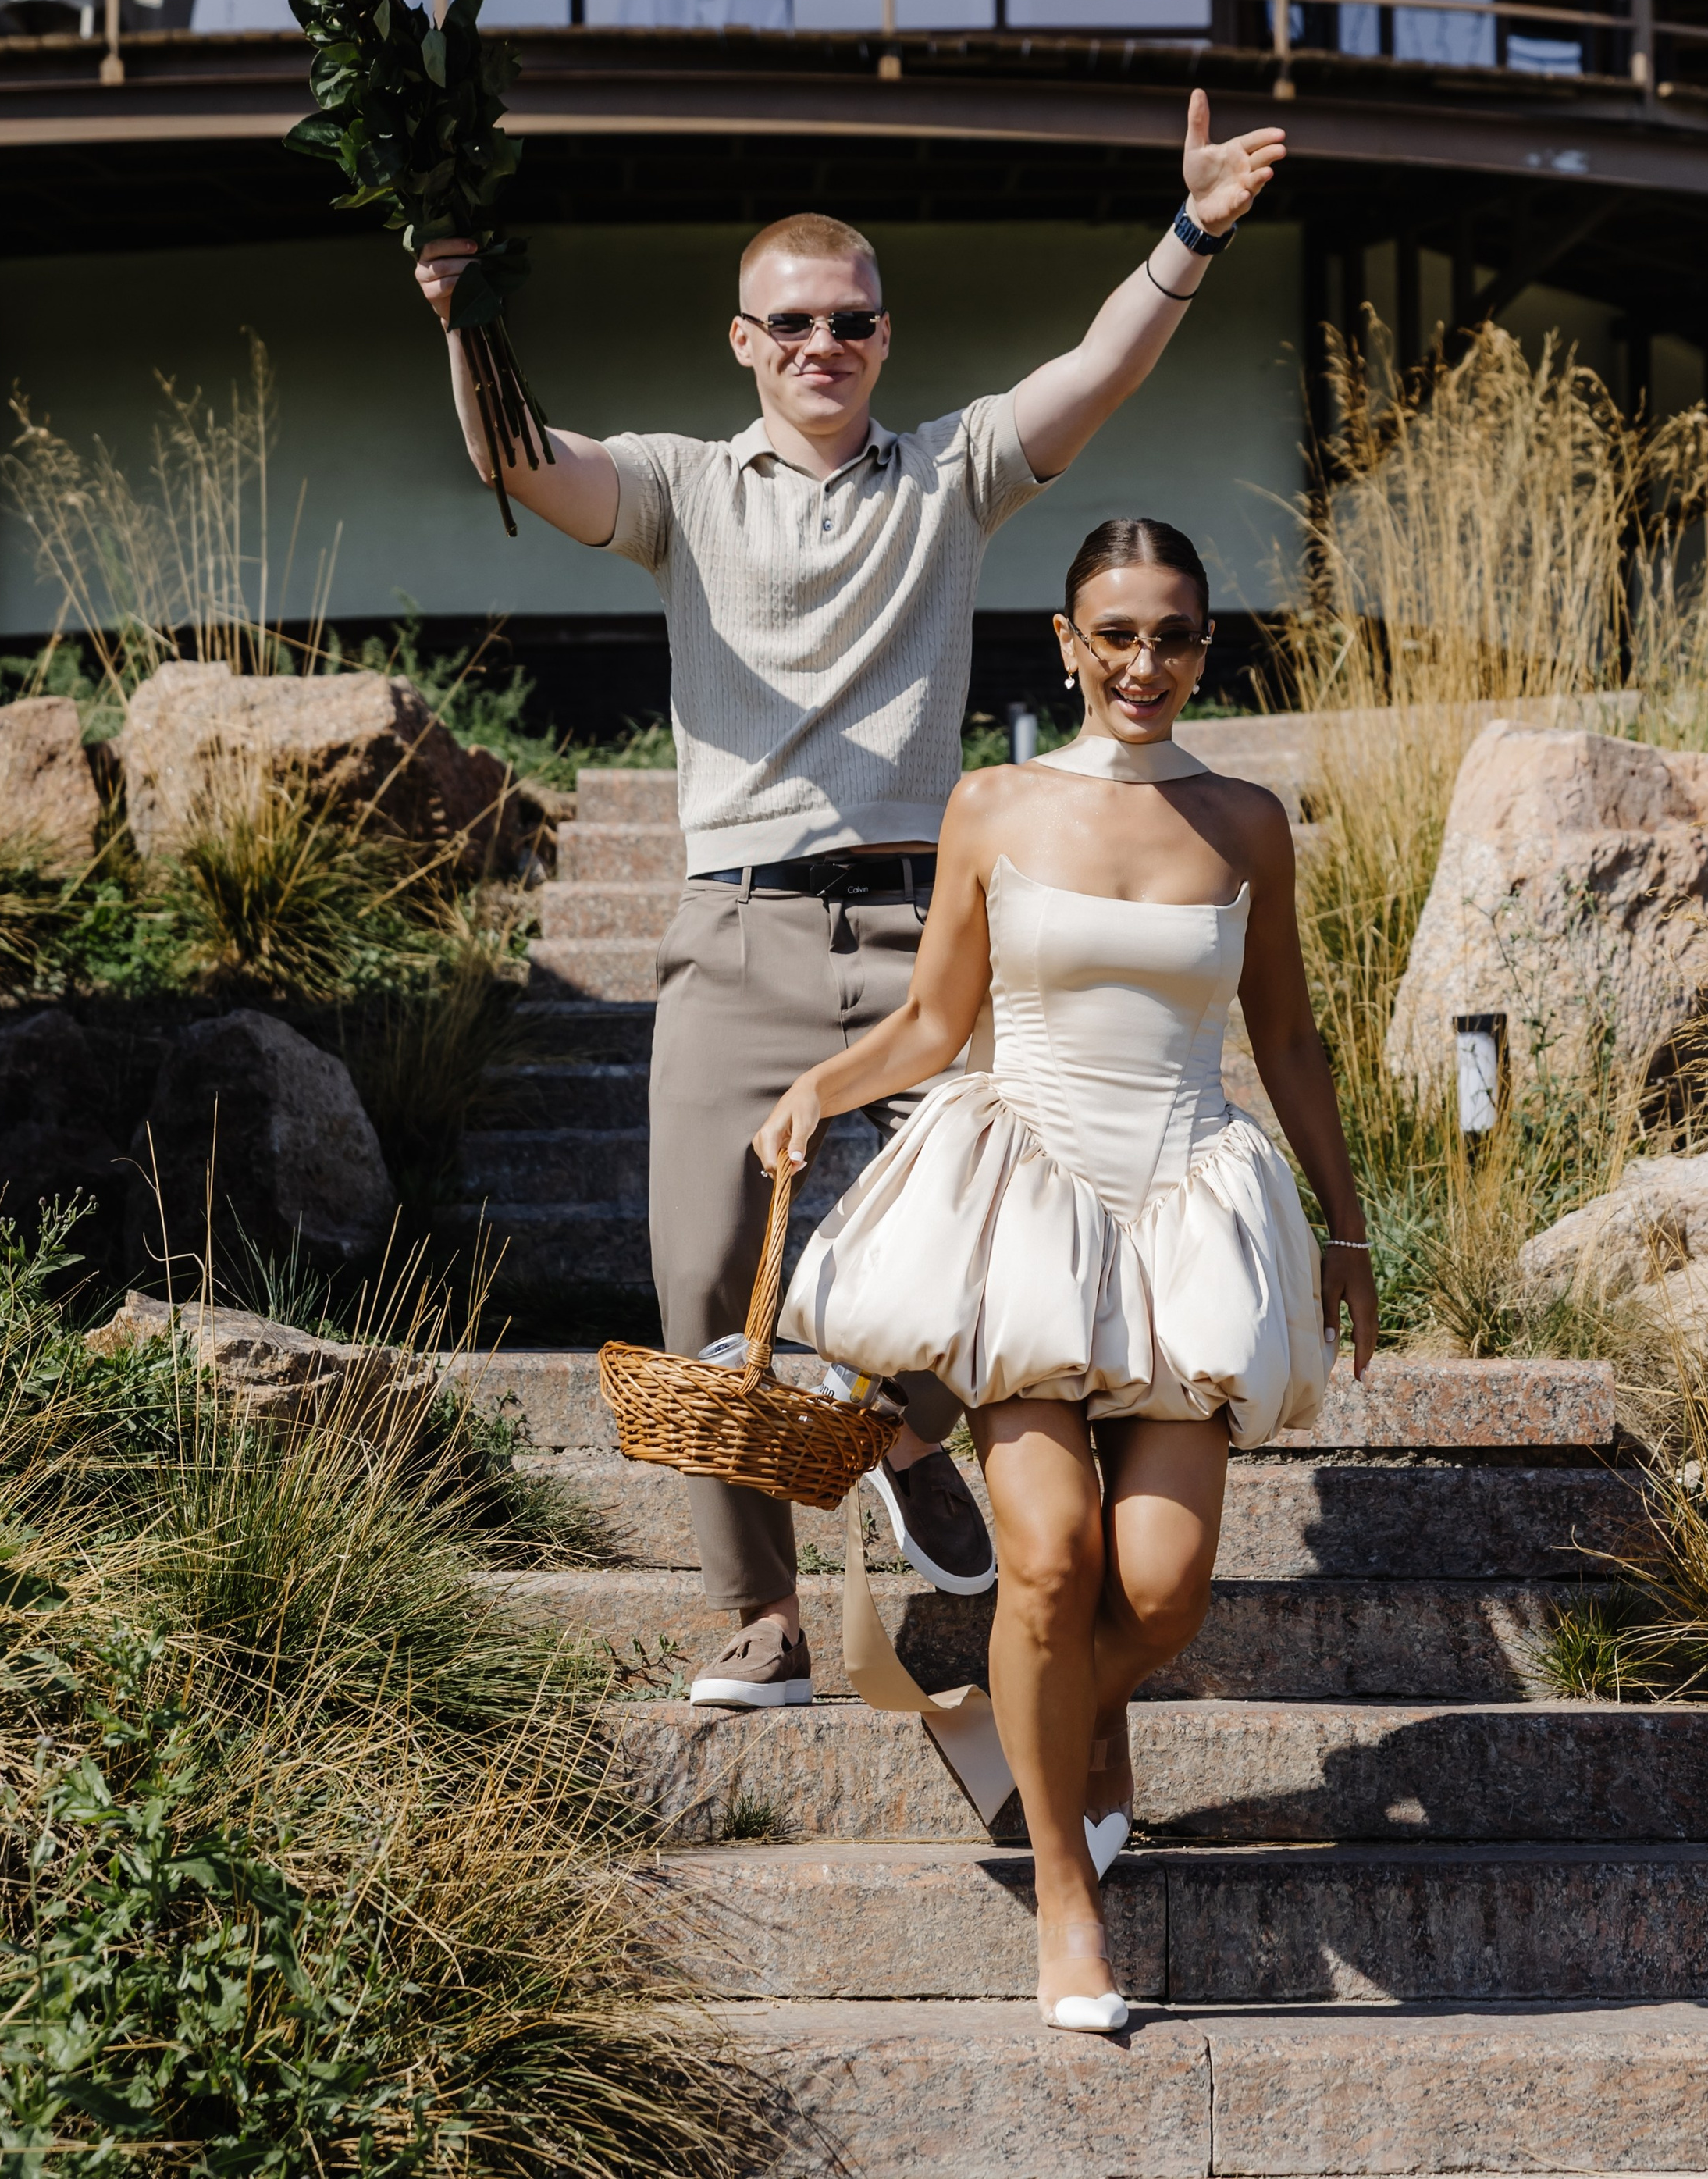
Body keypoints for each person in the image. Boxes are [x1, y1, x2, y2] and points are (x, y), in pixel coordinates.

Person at [412, 100, 1289, 1710]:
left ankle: (894, 1435)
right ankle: (760, 1617)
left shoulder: (949, 474)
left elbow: (1091, 374)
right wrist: (467, 314)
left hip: (925, 931)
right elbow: (516, 459)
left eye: (852, 321)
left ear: (884, 338)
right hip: (735, 930)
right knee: (693, 1277)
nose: (824, 343)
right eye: (794, 322)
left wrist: (1192, 232)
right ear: (744, 340)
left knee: (995, 1256)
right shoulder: (680, 486)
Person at [757, 517, 1378, 2034]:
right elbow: (929, 1023)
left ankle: (1014, 1717)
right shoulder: (993, 802)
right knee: (1045, 1557)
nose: (1141, 663)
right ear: (1063, 642)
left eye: (1171, 634)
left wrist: (1347, 1228)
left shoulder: (1244, 821)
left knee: (1156, 1591)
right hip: (1024, 1196)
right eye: (1112, 634)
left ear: (1202, 645)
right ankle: (1061, 1890)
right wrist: (817, 1090)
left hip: (1184, 1206)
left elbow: (1284, 1041)